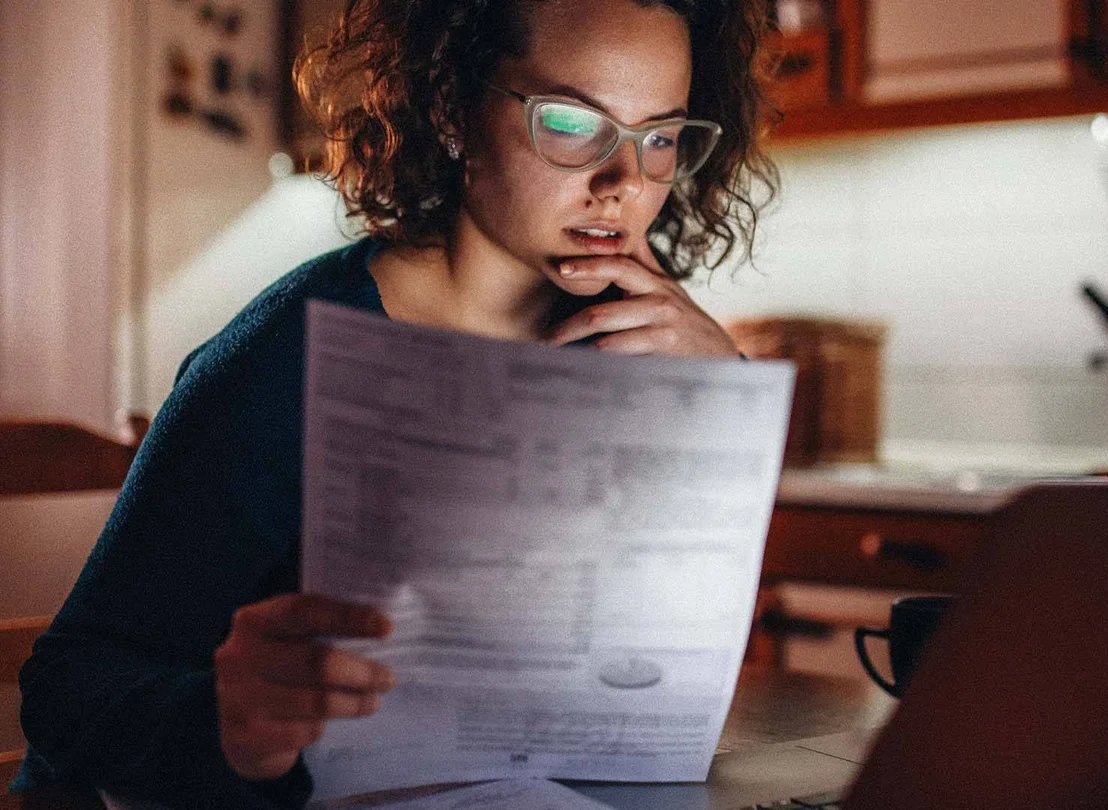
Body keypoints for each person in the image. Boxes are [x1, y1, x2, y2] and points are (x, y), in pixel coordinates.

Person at [15, 0, 778, 806]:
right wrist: (226, 724)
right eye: (569, 122)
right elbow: (67, 686)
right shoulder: (292, 349)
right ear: (452, 109)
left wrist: (721, 402)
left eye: (659, 138)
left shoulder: (650, 357)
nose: (624, 182)